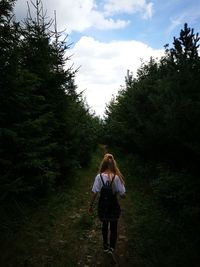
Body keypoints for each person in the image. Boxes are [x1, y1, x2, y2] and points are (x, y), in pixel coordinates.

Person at [88, 153, 126, 254]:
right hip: (113, 206)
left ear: (103, 164)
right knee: (114, 227)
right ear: (113, 164)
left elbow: (94, 193)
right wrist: (120, 193)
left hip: (103, 206)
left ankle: (105, 246)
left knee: (105, 225)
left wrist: (91, 206)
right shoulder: (117, 177)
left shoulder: (99, 177)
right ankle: (112, 248)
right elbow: (123, 195)